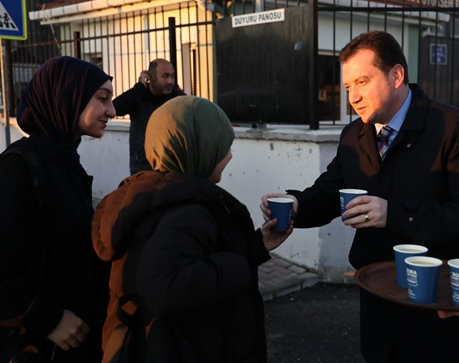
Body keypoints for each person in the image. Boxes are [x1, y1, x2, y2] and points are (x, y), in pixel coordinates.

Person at [260, 30, 459, 362]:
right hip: (378, 299)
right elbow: (330, 193)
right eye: (348, 87)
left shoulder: (454, 127)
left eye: (362, 82)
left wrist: (394, 214)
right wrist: (297, 205)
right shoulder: (353, 135)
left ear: (396, 75)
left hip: (440, 304)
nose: (353, 97)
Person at [92, 95, 292, 362]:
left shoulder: (153, 195)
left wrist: (255, 246)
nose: (230, 154)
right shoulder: (187, 211)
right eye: (224, 145)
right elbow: (166, 285)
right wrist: (239, 263)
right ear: (199, 147)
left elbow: (189, 262)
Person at [0, 56, 116, 362]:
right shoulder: (19, 168)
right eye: (102, 99)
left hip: (79, 341)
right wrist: (46, 317)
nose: (111, 111)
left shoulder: (66, 164)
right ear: (66, 96)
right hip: (41, 345)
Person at [112, 58, 185, 174]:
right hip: (143, 167)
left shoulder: (178, 99)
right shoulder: (139, 96)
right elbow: (114, 108)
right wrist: (139, 87)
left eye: (172, 76)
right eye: (165, 76)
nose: (170, 81)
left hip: (173, 166)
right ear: (150, 77)